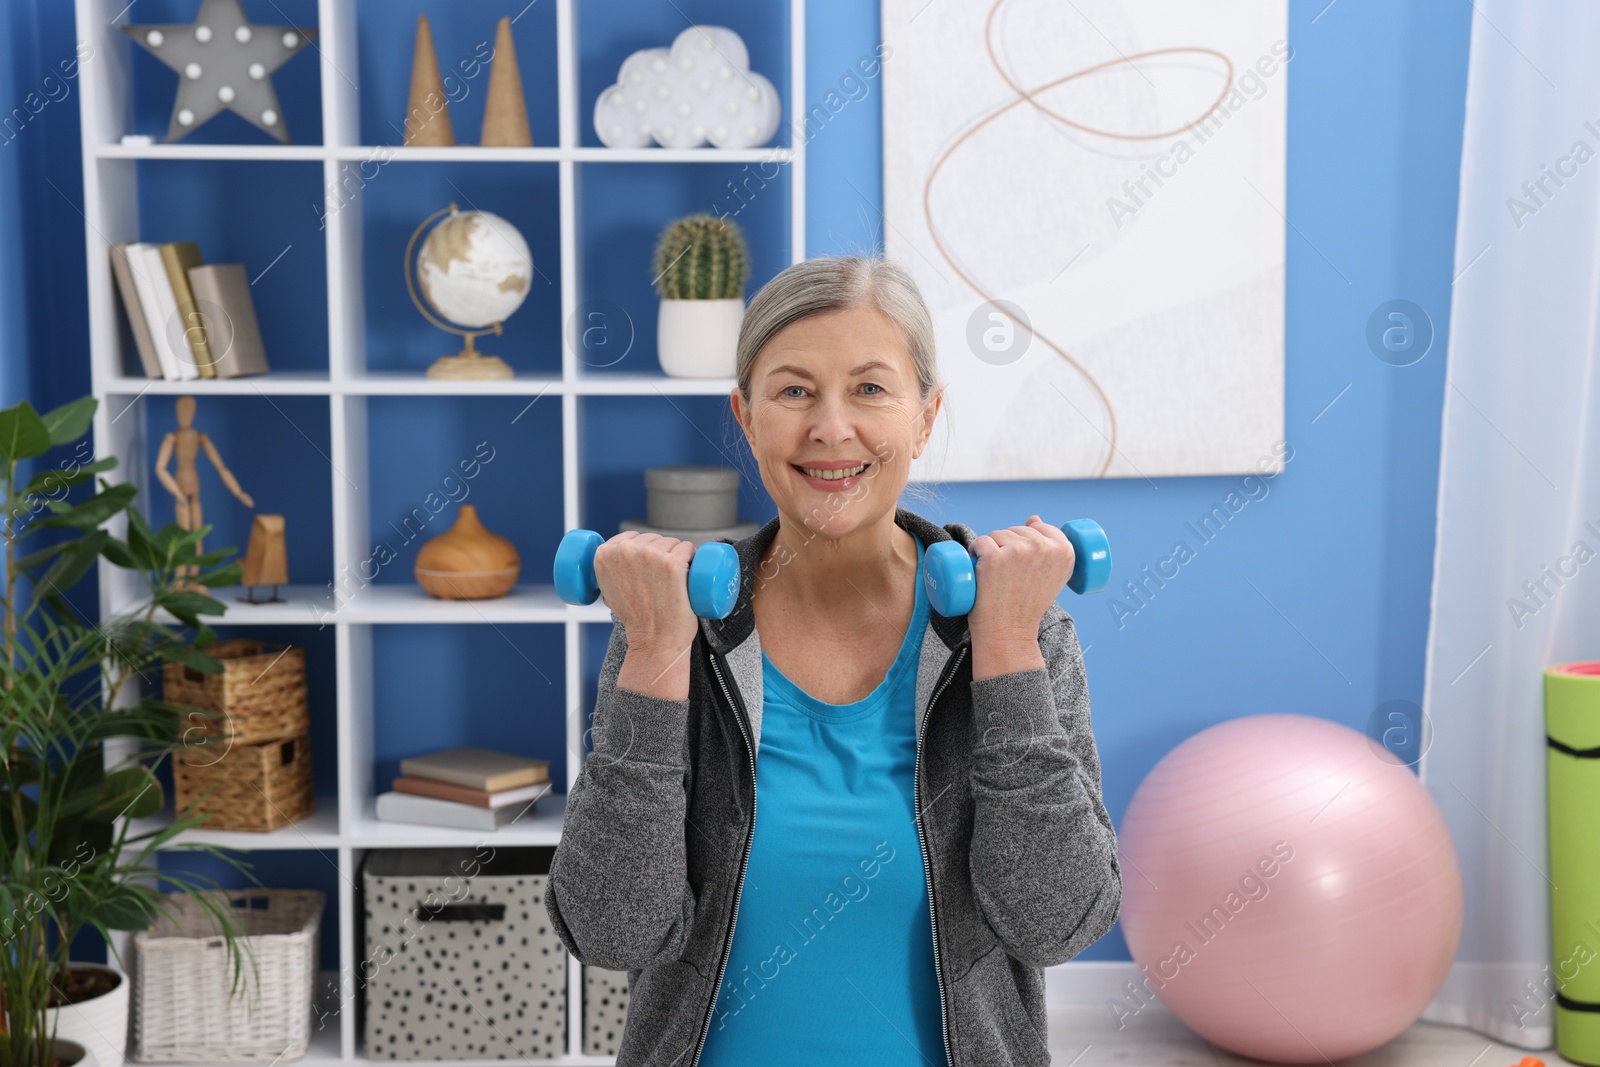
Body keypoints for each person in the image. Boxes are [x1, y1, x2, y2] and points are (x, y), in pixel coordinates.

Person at [544, 255, 1120, 1066]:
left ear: (926, 416)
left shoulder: (1020, 629)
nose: (831, 427)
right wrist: (655, 653)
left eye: (871, 388)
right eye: (794, 390)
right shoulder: (673, 626)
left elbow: (1056, 921)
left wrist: (1006, 647)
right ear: (746, 418)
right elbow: (611, 929)